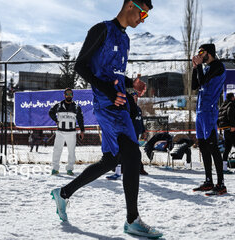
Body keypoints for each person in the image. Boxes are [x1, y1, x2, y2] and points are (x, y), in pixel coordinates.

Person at [50, 1, 163, 238]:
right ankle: (132, 220)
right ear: (130, 5)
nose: (143, 19)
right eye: (142, 13)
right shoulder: (101, 29)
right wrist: (108, 91)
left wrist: (132, 84)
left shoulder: (126, 39)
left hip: (120, 107)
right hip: (106, 106)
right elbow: (81, 65)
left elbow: (114, 74)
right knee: (132, 155)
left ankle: (63, 193)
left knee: (111, 160)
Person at [191, 43, 227, 196]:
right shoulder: (204, 68)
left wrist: (199, 67)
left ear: (209, 53)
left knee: (213, 146)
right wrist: (195, 68)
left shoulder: (218, 66)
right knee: (203, 146)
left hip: (209, 111)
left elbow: (205, 82)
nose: (200, 54)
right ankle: (208, 181)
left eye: (202, 52)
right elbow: (195, 85)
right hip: (200, 111)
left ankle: (221, 183)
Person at [106, 90, 148, 180]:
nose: (135, 98)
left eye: (136, 96)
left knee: (135, 152)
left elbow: (140, 121)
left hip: (136, 134)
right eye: (133, 96)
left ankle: (139, 169)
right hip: (127, 134)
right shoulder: (126, 108)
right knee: (121, 152)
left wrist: (143, 131)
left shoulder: (138, 109)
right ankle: (118, 171)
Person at [49, 88, 85, 176]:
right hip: (60, 132)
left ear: (72, 95)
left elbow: (80, 119)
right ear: (64, 95)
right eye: (67, 94)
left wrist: (82, 130)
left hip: (71, 132)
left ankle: (69, 169)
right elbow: (50, 112)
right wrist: (56, 120)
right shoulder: (58, 105)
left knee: (71, 151)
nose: (69, 96)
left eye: (70, 94)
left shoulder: (76, 107)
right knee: (57, 150)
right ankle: (55, 168)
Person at [218, 93, 235, 174]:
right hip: (233, 129)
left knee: (227, 149)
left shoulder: (223, 105)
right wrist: (233, 125)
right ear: (232, 98)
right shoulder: (232, 105)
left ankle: (224, 168)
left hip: (226, 130)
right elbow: (230, 114)